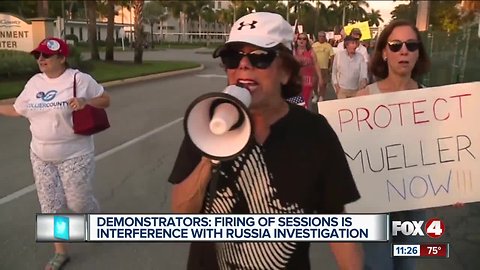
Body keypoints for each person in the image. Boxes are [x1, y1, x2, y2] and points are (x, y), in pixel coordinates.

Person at [168, 12, 363, 270]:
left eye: (260, 58)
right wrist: (211, 153)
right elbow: (182, 213)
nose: (244, 66)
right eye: (233, 58)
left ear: (285, 72)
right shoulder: (206, 121)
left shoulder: (315, 133)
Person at [0, 37, 110, 270]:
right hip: (40, 155)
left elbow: (105, 99)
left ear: (62, 58)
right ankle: (60, 252)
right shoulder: (34, 83)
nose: (41, 60)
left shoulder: (79, 79)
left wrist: (85, 101)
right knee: (50, 205)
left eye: (46, 56)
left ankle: (94, 218)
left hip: (76, 154)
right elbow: (19, 109)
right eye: (38, 56)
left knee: (78, 204)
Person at [357, 20, 431, 270]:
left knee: (407, 266)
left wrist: (456, 185)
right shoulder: (364, 99)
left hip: (414, 206)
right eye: (396, 45)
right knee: (377, 266)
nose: (404, 51)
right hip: (373, 207)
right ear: (384, 52)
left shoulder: (432, 101)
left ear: (418, 53)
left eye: (411, 45)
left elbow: (440, 152)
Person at [293, 32, 322, 109]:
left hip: (308, 80)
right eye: (300, 38)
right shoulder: (293, 51)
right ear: (297, 40)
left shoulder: (311, 52)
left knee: (306, 101)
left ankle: (306, 116)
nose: (302, 40)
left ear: (307, 41)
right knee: (296, 102)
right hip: (295, 80)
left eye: (304, 39)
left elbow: (316, 64)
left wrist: (320, 78)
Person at [312, 31, 335, 102]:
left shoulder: (328, 46)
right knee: (314, 82)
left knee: (323, 83)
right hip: (315, 67)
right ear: (318, 37)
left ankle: (322, 96)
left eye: (323, 36)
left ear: (325, 37)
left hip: (324, 67)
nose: (321, 37)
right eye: (320, 36)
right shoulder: (313, 45)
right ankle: (316, 94)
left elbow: (332, 56)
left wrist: (331, 66)